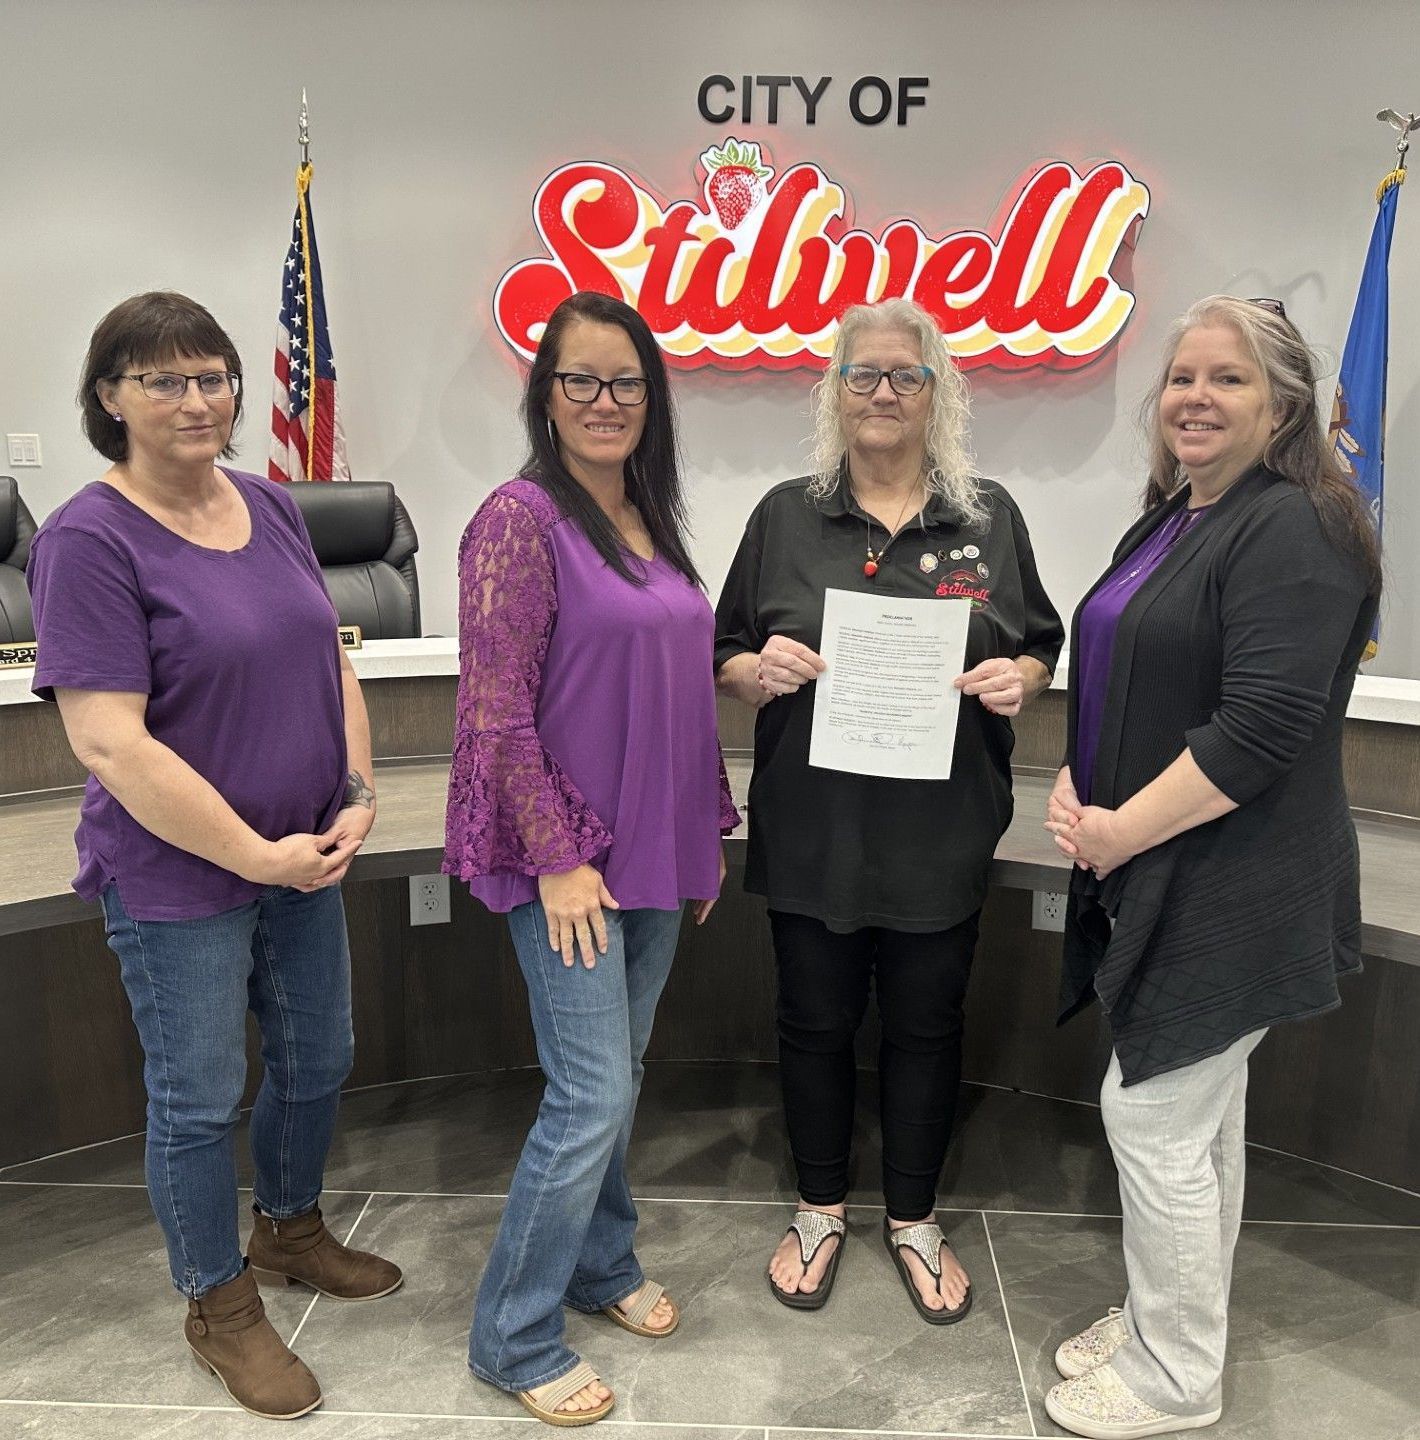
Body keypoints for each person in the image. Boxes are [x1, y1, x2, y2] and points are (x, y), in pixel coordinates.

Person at [26, 292, 402, 1423]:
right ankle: (217, 1301)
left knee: (318, 1056)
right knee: (197, 1099)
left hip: (305, 856)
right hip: (181, 877)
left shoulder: (268, 504)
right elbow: (105, 736)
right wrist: (254, 853)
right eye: (163, 380)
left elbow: (331, 659)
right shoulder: (86, 538)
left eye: (212, 376)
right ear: (110, 398)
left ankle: (288, 1230)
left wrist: (359, 794)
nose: (196, 400)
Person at [1041, 295, 1382, 1439]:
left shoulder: (1297, 524)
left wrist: (1118, 830)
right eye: (1183, 376)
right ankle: (1164, 1319)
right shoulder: (1174, 517)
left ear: (1281, 403)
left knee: (1150, 1120)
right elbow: (1118, 670)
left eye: (1227, 379)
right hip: (1155, 856)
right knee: (1195, 1118)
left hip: (1232, 877)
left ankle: (1174, 1378)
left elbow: (1262, 727)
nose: (1194, 397)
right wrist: (1073, 785)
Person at [714, 297, 1063, 1322]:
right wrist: (753, 669)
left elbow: (1040, 644)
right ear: (834, 391)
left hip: (940, 831)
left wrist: (1021, 681)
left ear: (935, 392)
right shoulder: (785, 513)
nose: (881, 393)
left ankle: (913, 1219)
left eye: (904, 377)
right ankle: (819, 1209)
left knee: (925, 1025)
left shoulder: (988, 515)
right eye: (861, 376)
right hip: (814, 826)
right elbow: (720, 652)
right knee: (813, 1023)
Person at [443, 291, 738, 1426]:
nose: (607, 401)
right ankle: (512, 1334)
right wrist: (559, 859)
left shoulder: (651, 517)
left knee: (622, 1076)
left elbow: (674, 693)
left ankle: (602, 1264)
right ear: (546, 394)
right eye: (582, 380)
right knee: (590, 1093)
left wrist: (706, 832)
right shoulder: (519, 519)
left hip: (655, 850)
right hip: (563, 856)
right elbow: (496, 715)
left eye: (626, 382)